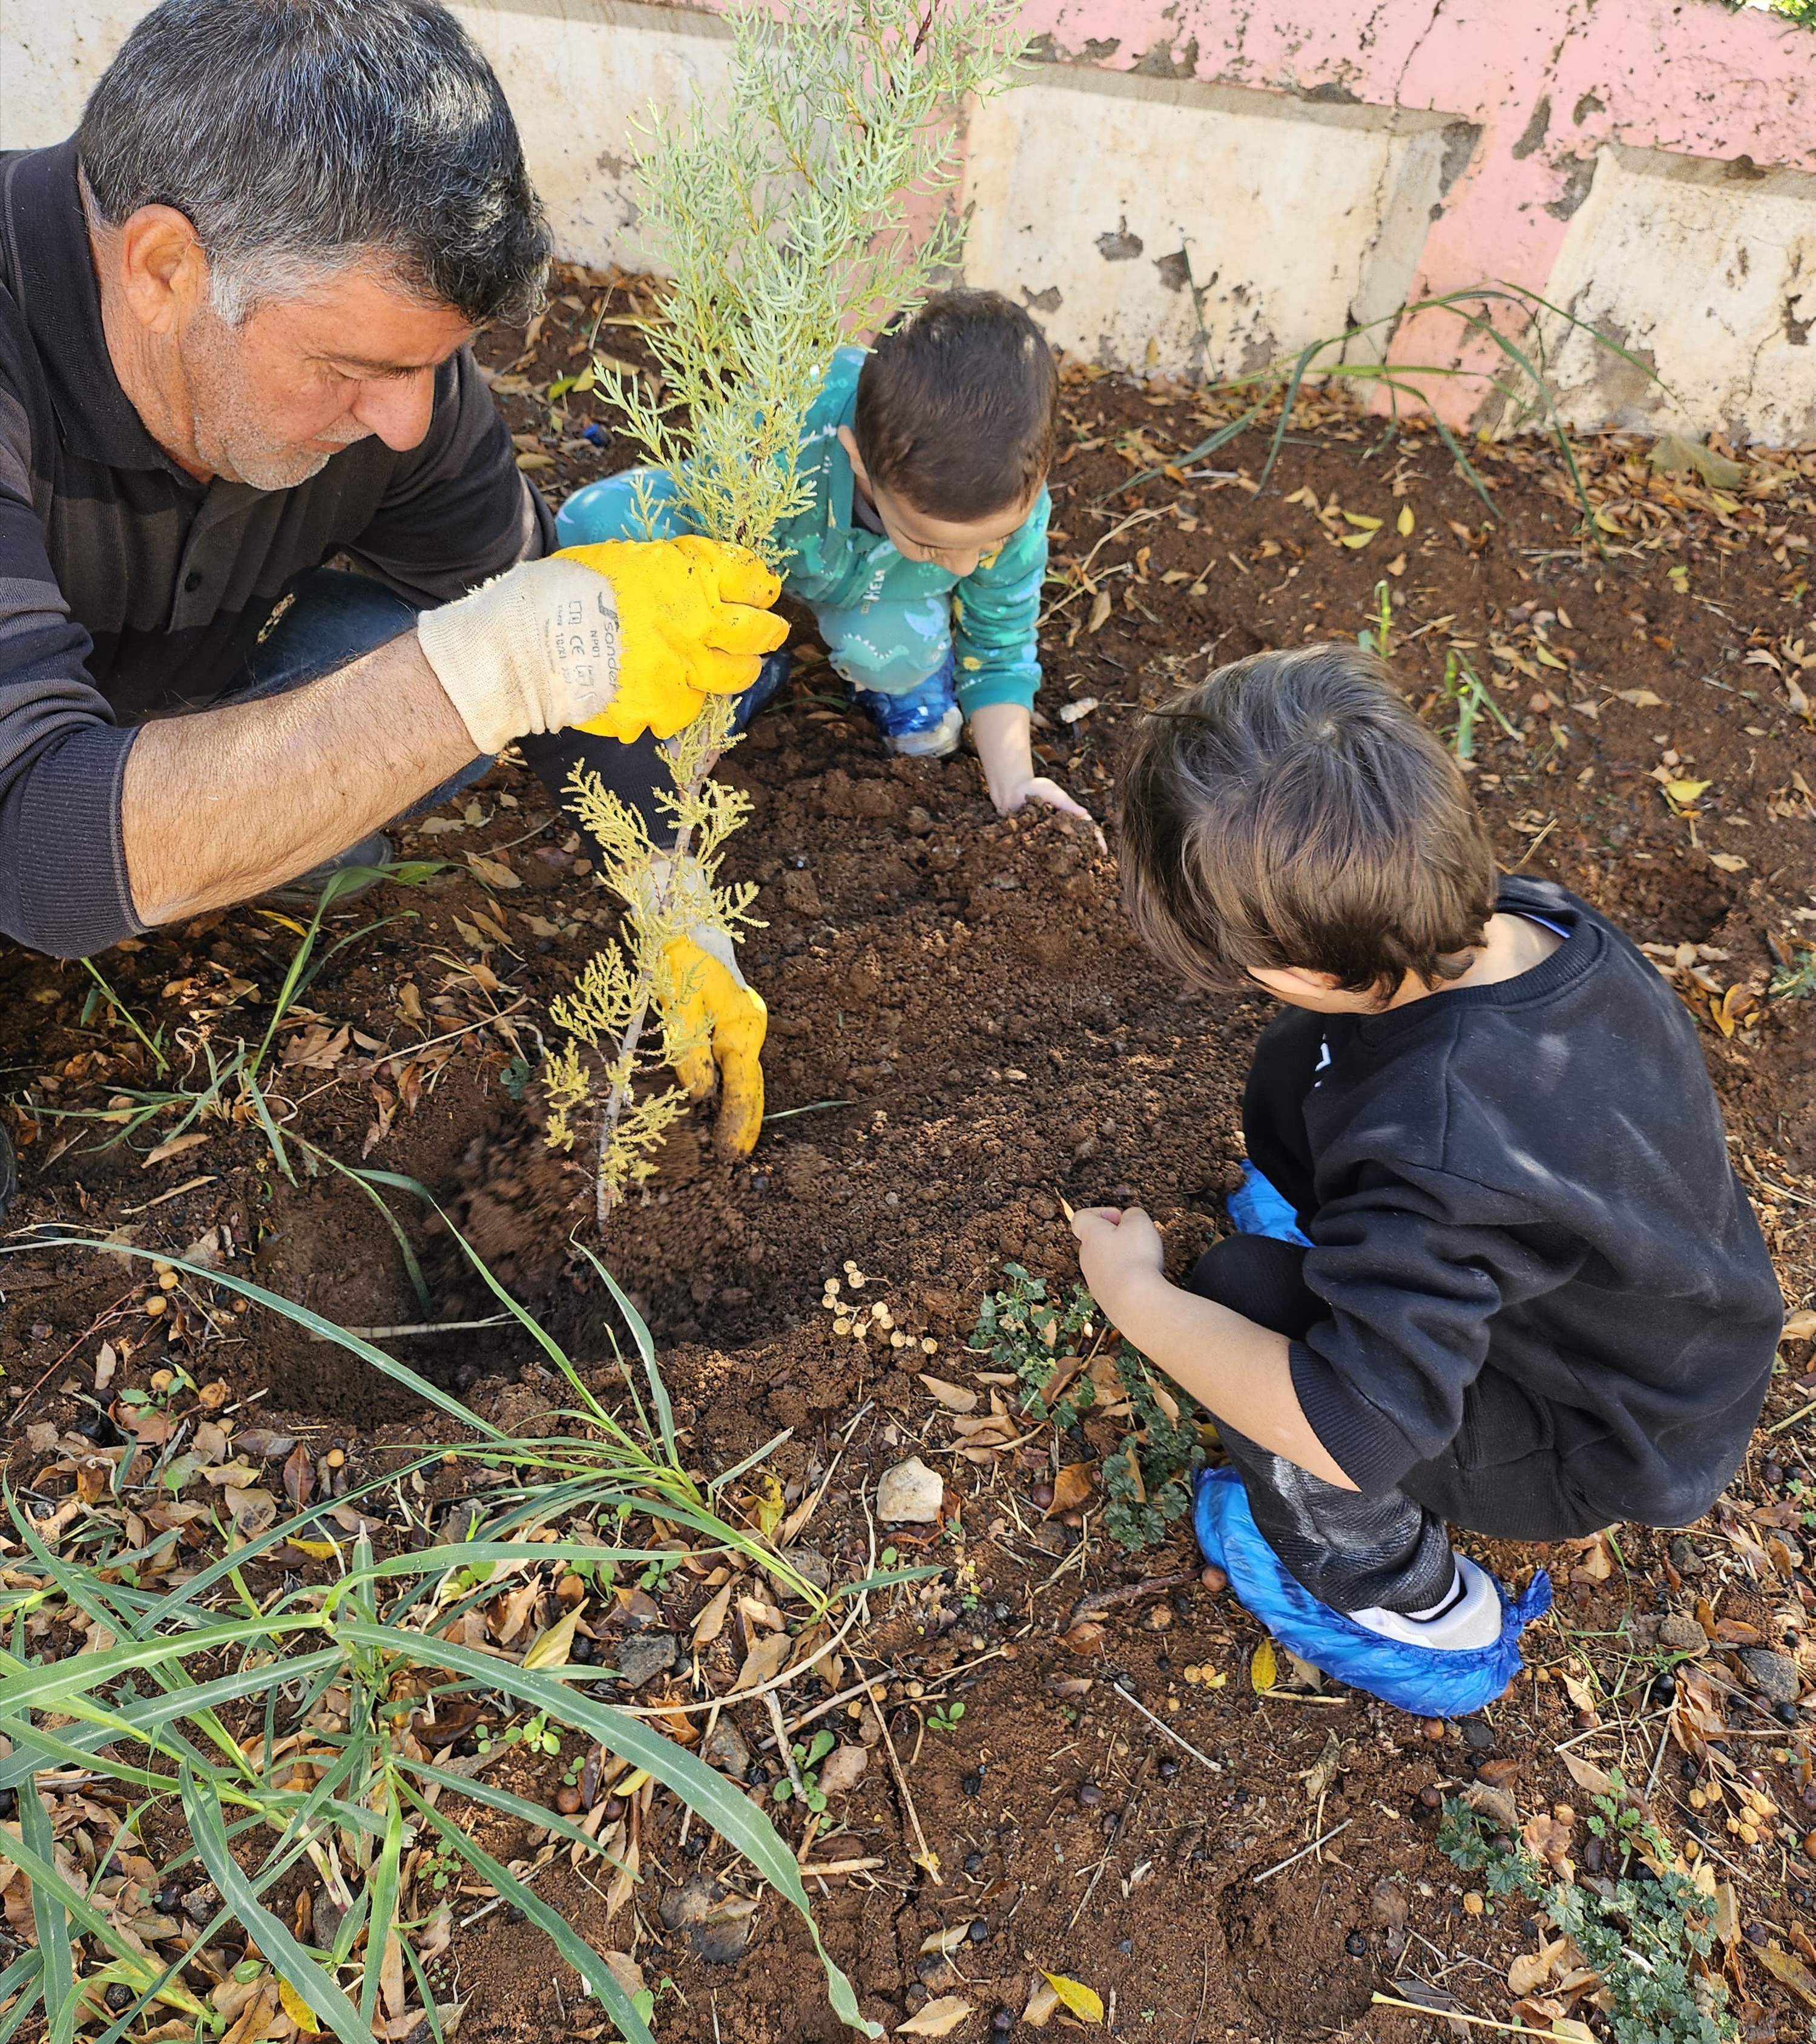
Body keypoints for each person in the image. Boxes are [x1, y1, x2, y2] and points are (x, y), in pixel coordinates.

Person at [0, 0, 786, 1211]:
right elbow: (36, 845)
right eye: (356, 368)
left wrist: (673, 895)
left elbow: (535, 609)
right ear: (164, 268)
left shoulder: (384, 384)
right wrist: (499, 665)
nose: (408, 423)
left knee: (427, 660)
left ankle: (202, 826)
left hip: (106, 708)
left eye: (430, 364)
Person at [1070, 644, 1781, 1717]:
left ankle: (1403, 1592)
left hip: (1595, 1431)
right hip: (1657, 1333)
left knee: (1244, 1299)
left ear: (1308, 967)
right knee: (1309, 1074)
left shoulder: (1440, 1140)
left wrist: (1136, 1297)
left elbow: (1355, 1424)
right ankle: (1371, 1282)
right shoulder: (1535, 922)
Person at [553, 289, 1095, 833]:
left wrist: (1016, 785)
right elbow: (712, 550)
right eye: (931, 545)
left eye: (990, 544)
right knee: (593, 530)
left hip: (883, 591)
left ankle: (904, 684)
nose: (963, 568)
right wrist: (707, 696)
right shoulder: (780, 433)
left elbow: (1000, 645)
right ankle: (752, 669)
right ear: (858, 460)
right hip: (752, 550)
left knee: (896, 654)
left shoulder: (1011, 490)